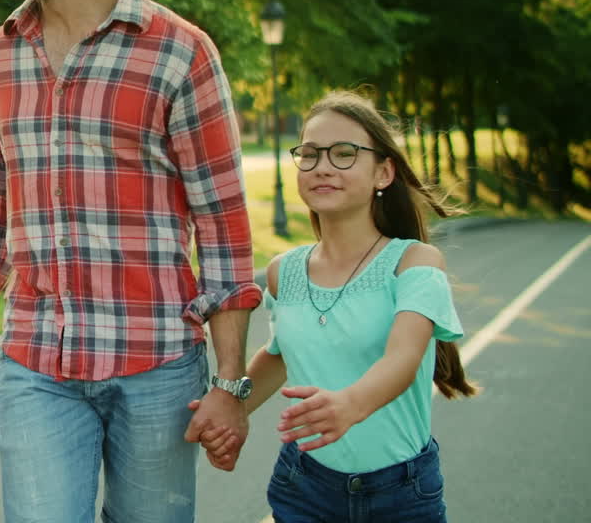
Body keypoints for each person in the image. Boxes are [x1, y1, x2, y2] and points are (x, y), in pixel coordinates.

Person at [0, 0, 261, 523]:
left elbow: (222, 226)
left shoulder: (180, 52)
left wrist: (230, 384)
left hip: (156, 366)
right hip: (39, 366)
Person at [197, 90, 477, 522]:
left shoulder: (415, 263)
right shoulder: (283, 271)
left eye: (344, 154)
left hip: (401, 494)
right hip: (304, 487)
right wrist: (230, 405)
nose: (322, 166)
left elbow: (403, 357)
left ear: (383, 172)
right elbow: (280, 356)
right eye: (309, 154)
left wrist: (351, 404)